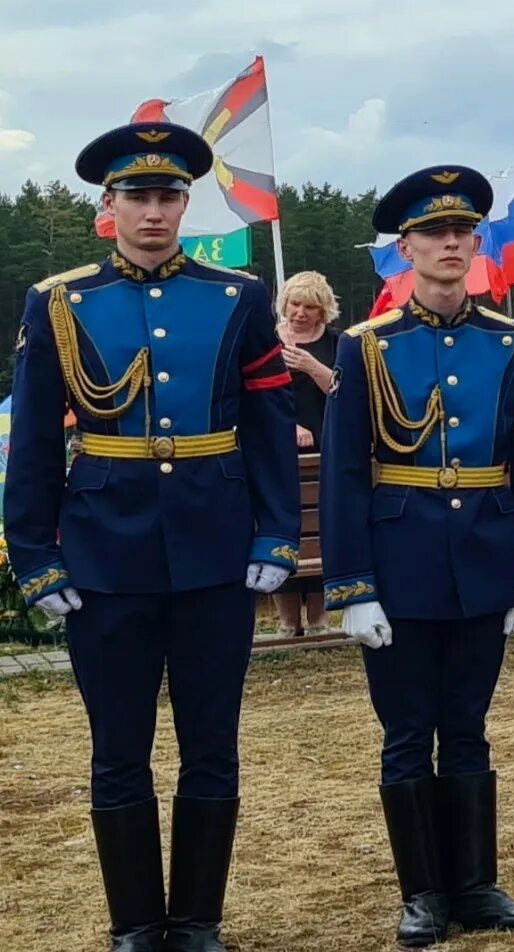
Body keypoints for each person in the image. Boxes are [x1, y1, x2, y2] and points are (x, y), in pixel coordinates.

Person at [3, 124, 299, 952]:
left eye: (170, 196)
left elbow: (271, 426)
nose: (155, 211)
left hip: (215, 549)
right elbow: (32, 442)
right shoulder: (60, 301)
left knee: (212, 740)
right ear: (110, 207)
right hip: (104, 552)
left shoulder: (238, 297)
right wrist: (34, 554)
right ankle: (136, 923)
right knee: (118, 746)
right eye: (138, 196)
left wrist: (276, 534)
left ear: (185, 205)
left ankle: (198, 919)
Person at [320, 167, 514, 946]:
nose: (449, 244)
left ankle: (477, 886)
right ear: (405, 249)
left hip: (484, 555)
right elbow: (348, 469)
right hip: (400, 561)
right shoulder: (365, 347)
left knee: (469, 726)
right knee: (405, 728)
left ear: (477, 243)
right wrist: (352, 584)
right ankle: (422, 892)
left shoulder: (512, 343)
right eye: (432, 234)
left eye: (462, 232)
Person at [274, 270, 339, 636]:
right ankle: (286, 620)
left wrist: (311, 367)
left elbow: (346, 391)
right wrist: (288, 427)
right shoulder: (266, 341)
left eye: (309, 307)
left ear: (322, 310)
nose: (299, 313)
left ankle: (318, 618)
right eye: (295, 304)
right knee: (283, 528)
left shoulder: (336, 343)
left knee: (321, 527)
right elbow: (254, 397)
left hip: (326, 449)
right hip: (278, 452)